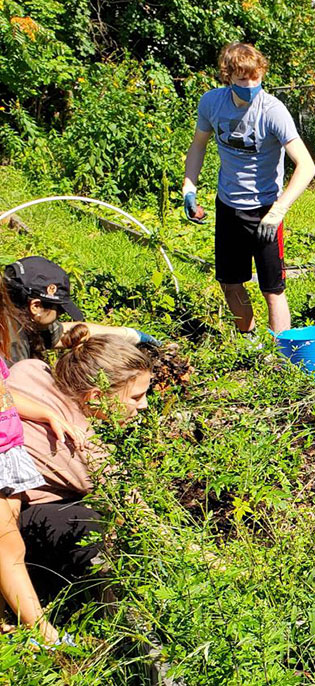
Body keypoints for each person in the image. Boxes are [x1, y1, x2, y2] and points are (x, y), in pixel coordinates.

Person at [6, 328, 152, 643]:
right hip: (16, 519)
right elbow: (133, 506)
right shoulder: (77, 445)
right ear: (96, 396)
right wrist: (200, 556)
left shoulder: (32, 369)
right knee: (89, 526)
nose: (144, 406)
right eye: (137, 397)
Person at [182, 41, 315, 335]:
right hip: (228, 207)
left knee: (273, 288)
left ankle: (281, 355)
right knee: (230, 282)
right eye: (243, 78)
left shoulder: (273, 111)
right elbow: (198, 146)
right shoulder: (211, 104)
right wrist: (188, 189)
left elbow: (306, 166)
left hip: (266, 210)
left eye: (256, 77)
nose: (251, 84)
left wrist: (278, 211)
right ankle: (249, 341)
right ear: (228, 76)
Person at [0, 287, 90, 646]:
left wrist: (48, 413)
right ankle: (43, 635)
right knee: (9, 549)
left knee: (9, 546)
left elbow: (5, 394)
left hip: (8, 452)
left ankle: (12, 619)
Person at [3, 256, 159, 363]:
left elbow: (64, 334)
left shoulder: (16, 313)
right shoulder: (12, 343)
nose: (60, 316)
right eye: (60, 310)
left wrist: (130, 335)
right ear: (36, 306)